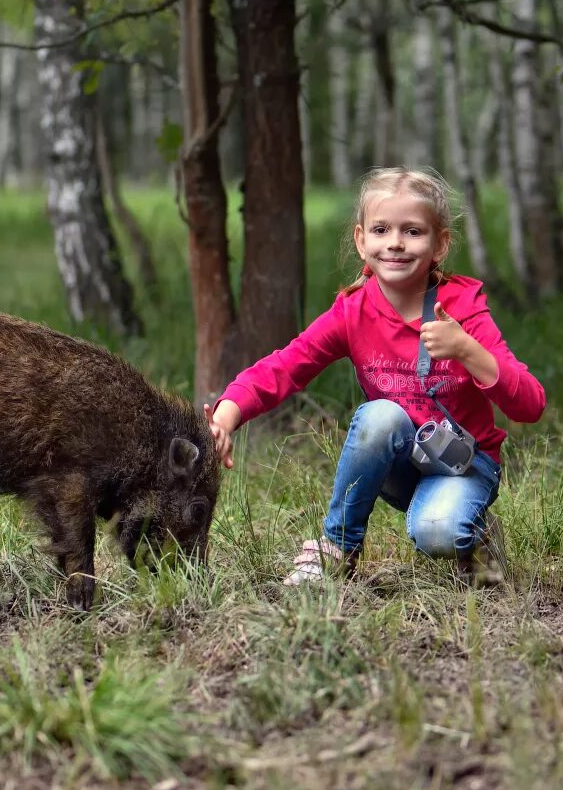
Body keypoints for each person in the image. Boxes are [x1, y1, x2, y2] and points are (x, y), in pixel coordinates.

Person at [204, 167, 545, 586]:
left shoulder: (463, 306)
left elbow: (531, 404)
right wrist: (226, 414)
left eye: (413, 231)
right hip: (400, 462)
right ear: (362, 240)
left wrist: (467, 351)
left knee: (437, 532)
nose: (396, 243)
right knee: (379, 416)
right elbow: (285, 366)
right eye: (381, 229)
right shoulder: (354, 311)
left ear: (440, 244)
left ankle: (475, 533)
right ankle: (336, 547)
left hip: (463, 465)